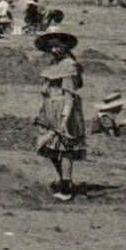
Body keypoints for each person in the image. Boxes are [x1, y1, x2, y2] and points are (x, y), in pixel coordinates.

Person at [32, 31, 86, 200]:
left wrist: (65, 118)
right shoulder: (53, 64)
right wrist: (41, 112)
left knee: (65, 149)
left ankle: (66, 187)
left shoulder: (69, 65)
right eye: (52, 47)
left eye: (58, 46)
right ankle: (64, 180)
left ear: (65, 47)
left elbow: (69, 94)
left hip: (63, 109)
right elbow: (45, 91)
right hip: (50, 110)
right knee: (50, 148)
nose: (55, 50)